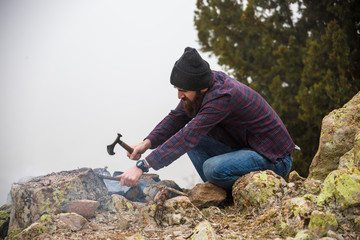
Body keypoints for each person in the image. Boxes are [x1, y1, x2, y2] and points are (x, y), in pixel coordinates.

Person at [119, 47, 295, 191]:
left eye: (183, 90)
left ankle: (232, 195)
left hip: (274, 158)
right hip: (248, 149)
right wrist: (146, 143)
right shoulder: (203, 85)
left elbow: (187, 136)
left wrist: (142, 166)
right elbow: (177, 117)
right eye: (177, 89)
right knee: (198, 144)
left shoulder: (222, 97)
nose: (179, 95)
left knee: (212, 168)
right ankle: (218, 192)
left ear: (200, 88)